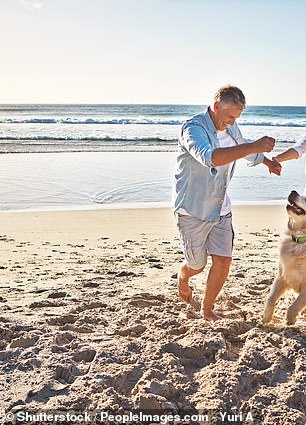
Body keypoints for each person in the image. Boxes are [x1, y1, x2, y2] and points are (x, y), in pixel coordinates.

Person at [172, 85, 281, 322]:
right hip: (193, 209)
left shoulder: (232, 128)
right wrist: (254, 146)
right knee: (197, 266)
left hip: (221, 207)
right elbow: (210, 157)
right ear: (216, 106)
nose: (232, 122)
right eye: (230, 116)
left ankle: (207, 309)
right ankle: (183, 275)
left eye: (237, 117)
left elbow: (242, 149)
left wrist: (266, 162)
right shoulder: (193, 129)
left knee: (223, 259)